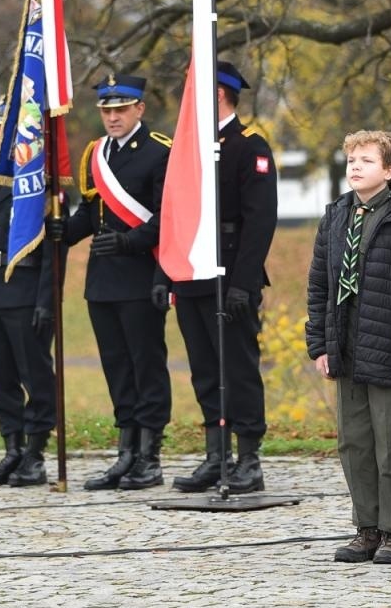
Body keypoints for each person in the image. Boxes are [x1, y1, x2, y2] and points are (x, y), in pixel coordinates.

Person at [305, 130, 391, 566]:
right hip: (347, 348)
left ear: (389, 170)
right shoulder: (336, 217)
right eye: (352, 161)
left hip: (390, 351)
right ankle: (367, 528)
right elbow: (319, 285)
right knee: (354, 442)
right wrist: (320, 344)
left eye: (367, 161)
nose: (356, 167)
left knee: (389, 442)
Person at [165, 61, 277, 494]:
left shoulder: (249, 146)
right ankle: (217, 455)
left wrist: (243, 284)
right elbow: (174, 215)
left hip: (231, 274)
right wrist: (166, 274)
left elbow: (259, 221)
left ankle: (248, 458)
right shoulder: (188, 147)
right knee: (205, 369)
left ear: (217, 94)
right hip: (191, 272)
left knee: (238, 367)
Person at [63, 73, 173, 491]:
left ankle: (149, 456)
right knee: (117, 368)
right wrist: (62, 231)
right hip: (102, 280)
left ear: (139, 109)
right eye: (106, 110)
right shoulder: (96, 154)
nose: (113, 117)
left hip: (142, 277)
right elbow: (90, 213)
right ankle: (126, 453)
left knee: (146, 367)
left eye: (121, 109)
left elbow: (168, 218)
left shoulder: (159, 152)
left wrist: (129, 242)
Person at [0, 100, 58, 486]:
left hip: (25, 292)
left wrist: (46, 301)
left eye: (2, 129)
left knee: (35, 377)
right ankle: (12, 449)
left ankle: (35, 453)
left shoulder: (38, 180)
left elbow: (53, 250)